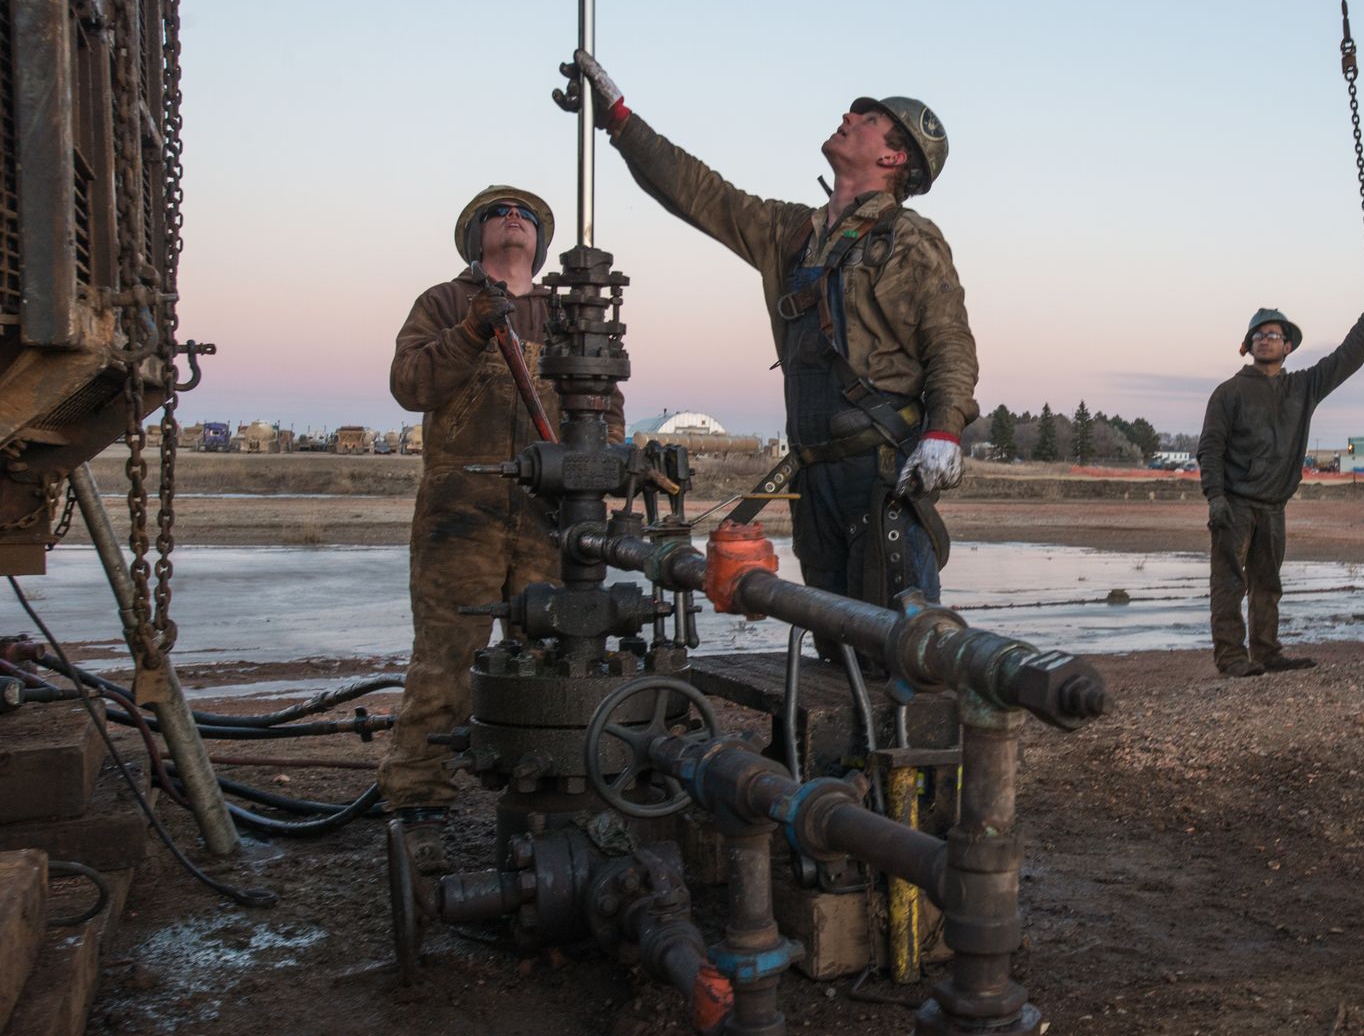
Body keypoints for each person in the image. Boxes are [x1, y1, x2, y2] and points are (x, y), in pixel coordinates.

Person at [557, 50, 977, 616]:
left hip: (881, 476)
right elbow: (701, 194)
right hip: (813, 475)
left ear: (893, 154)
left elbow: (950, 343)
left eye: (868, 119)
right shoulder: (791, 233)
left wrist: (944, 432)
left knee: (896, 645)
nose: (849, 118)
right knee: (834, 636)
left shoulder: (909, 238)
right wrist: (620, 122)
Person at [378, 185, 622, 871]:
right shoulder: (445, 303)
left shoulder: (568, 311)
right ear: (475, 238)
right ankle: (418, 803)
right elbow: (408, 384)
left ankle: (546, 793)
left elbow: (604, 402)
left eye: (525, 215)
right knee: (445, 660)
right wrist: (472, 330)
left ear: (540, 245)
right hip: (463, 509)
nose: (512, 218)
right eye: (497, 212)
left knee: (553, 658)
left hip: (552, 512)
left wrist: (613, 478)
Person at [1197, 286, 1364, 678]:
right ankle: (1231, 656)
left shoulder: (1302, 388)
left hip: (1274, 506)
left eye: (1273, 335)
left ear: (1287, 346)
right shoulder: (1229, 393)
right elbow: (1210, 449)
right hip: (1234, 504)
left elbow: (1345, 359)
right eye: (1259, 335)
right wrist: (1214, 496)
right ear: (1247, 345)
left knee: (1267, 584)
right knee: (1230, 584)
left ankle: (1266, 653)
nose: (1265, 340)